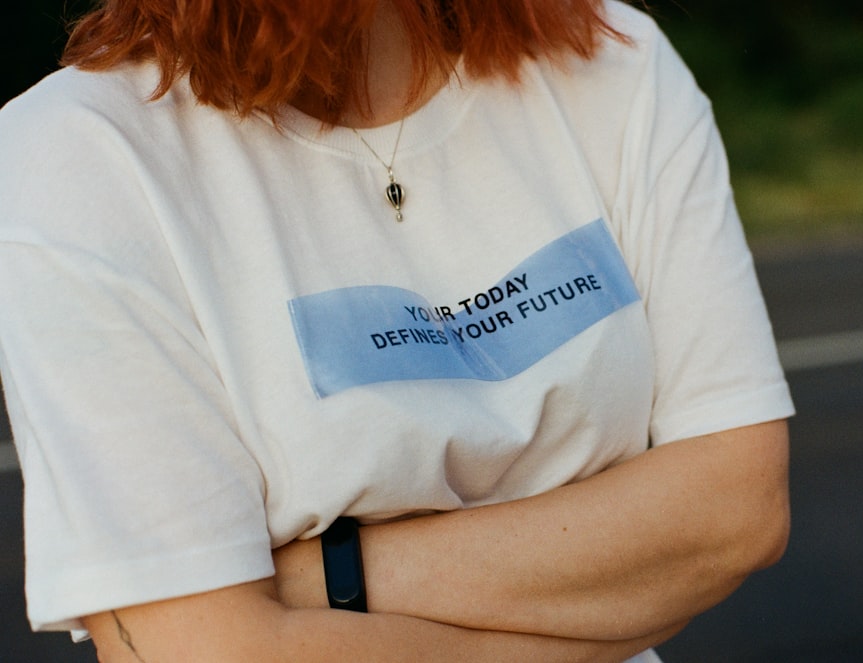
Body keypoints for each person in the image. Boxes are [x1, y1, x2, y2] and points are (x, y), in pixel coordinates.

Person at [0, 0, 794, 660]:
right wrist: (598, 604)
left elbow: (735, 508)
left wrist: (325, 578)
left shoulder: (610, 60)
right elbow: (201, 648)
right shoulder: (78, 158)